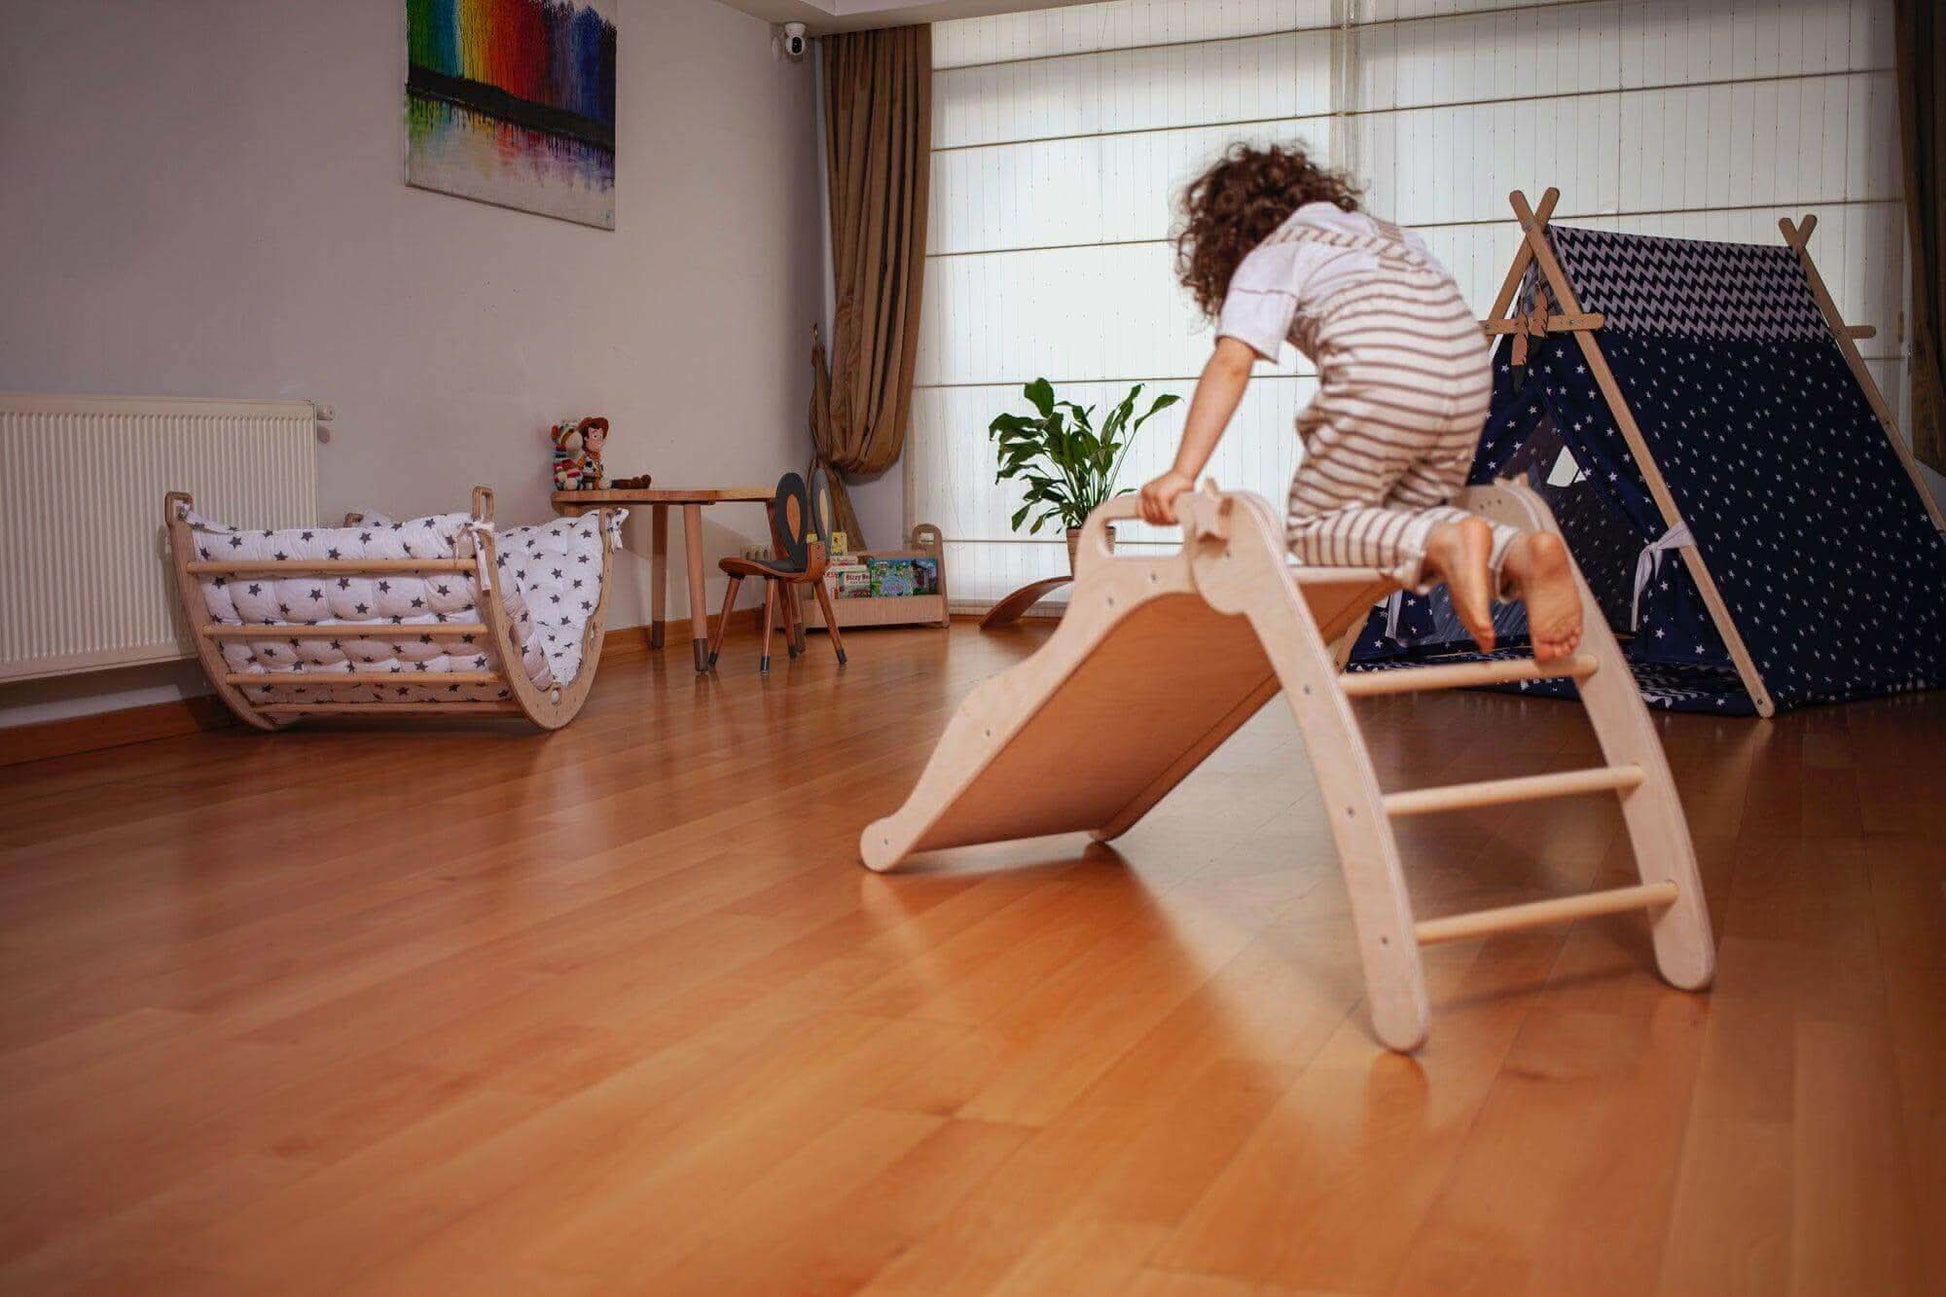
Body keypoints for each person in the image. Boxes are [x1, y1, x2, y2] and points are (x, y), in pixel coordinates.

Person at [1136, 143, 1582, 662]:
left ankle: (1450, 542)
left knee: (1316, 528)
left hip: (1386, 371)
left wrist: (1182, 472)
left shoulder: (1273, 251)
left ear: (1228, 235)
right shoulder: (1388, 236)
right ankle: (1521, 554)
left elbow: (1232, 363)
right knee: (1395, 529)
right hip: (1465, 372)